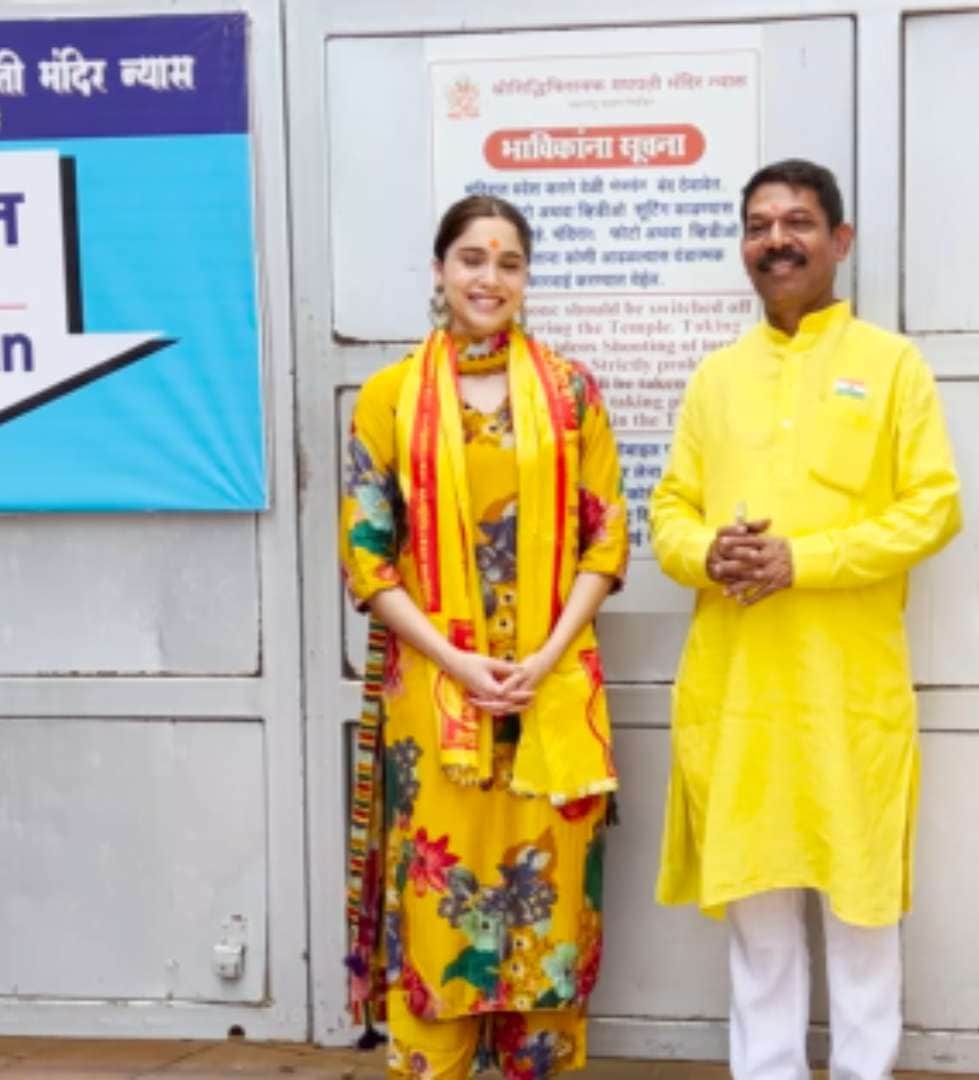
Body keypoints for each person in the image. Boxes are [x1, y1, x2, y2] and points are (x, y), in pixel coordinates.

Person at [650, 159, 963, 1080]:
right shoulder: (717, 379)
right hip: (740, 690)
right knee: (758, 918)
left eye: (798, 222)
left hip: (848, 694)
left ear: (840, 240)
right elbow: (668, 511)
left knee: (862, 910)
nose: (776, 240)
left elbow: (933, 509)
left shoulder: (891, 366)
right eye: (758, 225)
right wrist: (707, 552)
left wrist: (804, 560)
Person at [341, 194, 629, 1080]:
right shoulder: (390, 398)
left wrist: (545, 655)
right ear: (440, 270)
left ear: (526, 277)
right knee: (441, 923)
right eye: (472, 258)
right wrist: (457, 661)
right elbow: (367, 559)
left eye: (508, 263)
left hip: (553, 691)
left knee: (547, 918)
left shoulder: (573, 393)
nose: (489, 278)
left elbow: (606, 540)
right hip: (439, 702)